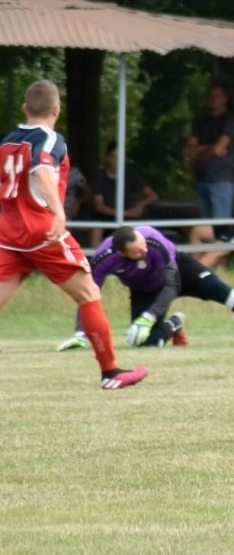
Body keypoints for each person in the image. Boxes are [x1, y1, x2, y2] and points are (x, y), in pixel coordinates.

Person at [0, 80, 147, 389]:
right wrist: (59, 213)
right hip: (42, 232)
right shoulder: (50, 139)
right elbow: (42, 172)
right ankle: (111, 372)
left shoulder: (7, 142)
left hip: (9, 235)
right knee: (88, 294)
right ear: (57, 109)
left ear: (25, 108)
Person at [58, 225, 234, 350]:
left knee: (224, 292)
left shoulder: (153, 241)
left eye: (143, 246)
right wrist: (81, 332)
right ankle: (175, 324)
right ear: (121, 253)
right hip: (145, 290)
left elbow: (172, 285)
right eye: (138, 251)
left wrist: (149, 316)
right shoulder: (104, 258)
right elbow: (88, 293)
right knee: (145, 343)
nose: (144, 251)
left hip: (179, 272)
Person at [183, 83, 234, 227]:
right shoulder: (200, 121)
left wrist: (199, 154)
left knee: (220, 228)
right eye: (210, 96)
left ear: (225, 98)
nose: (213, 99)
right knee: (204, 228)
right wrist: (210, 147)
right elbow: (189, 151)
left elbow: (218, 148)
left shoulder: (230, 120)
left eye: (217, 96)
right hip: (202, 179)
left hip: (221, 180)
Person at [83, 141, 159, 246]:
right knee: (97, 227)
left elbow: (153, 196)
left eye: (120, 156)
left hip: (129, 216)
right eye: (114, 156)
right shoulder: (99, 176)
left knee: (138, 229)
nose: (117, 160)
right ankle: (96, 255)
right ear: (107, 157)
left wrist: (139, 205)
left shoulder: (130, 174)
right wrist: (125, 214)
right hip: (105, 216)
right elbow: (100, 206)